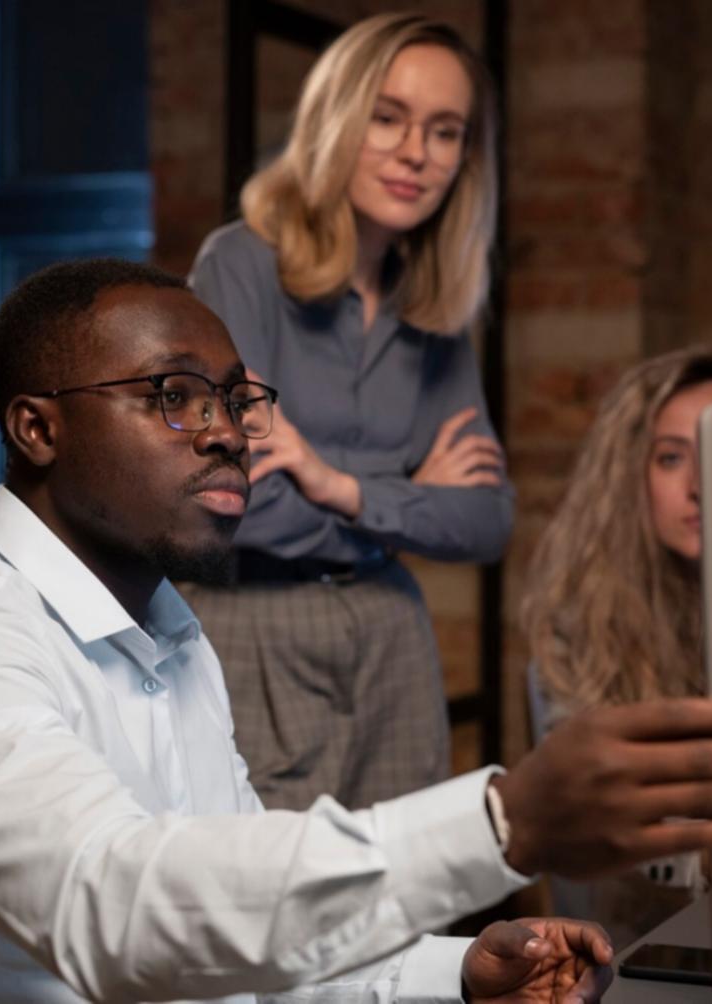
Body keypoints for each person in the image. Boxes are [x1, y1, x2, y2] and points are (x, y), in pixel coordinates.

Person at [0, 262, 712, 1002]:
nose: (229, 430)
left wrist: (452, 973)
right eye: (174, 395)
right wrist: (504, 820)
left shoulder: (175, 639)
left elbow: (239, 929)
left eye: (237, 398)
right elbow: (114, 908)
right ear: (36, 428)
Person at [187, 12, 509, 811]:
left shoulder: (433, 306)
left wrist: (338, 485)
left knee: (403, 908)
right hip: (252, 625)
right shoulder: (241, 264)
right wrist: (406, 493)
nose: (415, 153)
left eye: (444, 131)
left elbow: (488, 522)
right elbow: (230, 506)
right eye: (387, 117)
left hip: (393, 641)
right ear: (336, 119)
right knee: (271, 913)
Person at [522, 349, 712, 945]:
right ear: (630, 473)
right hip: (641, 944)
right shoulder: (579, 622)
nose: (698, 486)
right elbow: (590, 824)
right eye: (670, 457)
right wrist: (709, 855)